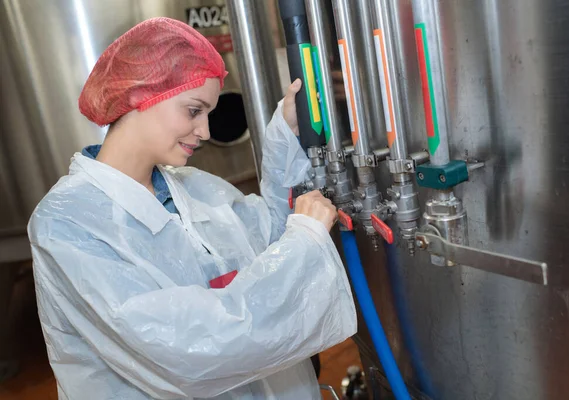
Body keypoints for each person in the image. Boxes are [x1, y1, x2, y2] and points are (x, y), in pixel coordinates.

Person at [27, 17, 357, 400]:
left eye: (208, 114)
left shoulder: (197, 188)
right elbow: (187, 350)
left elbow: (268, 245)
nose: (204, 131)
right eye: (193, 110)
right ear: (139, 94)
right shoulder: (67, 224)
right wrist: (305, 240)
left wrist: (284, 138)